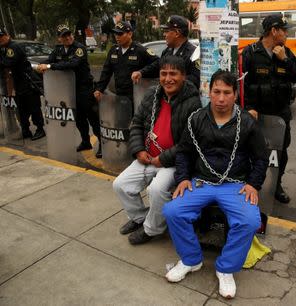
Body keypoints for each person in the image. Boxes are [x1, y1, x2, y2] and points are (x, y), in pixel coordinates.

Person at [163, 70, 268, 299]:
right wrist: (182, 179)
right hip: (202, 182)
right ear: (208, 92)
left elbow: (261, 157)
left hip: (235, 184)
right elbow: (183, 153)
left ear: (235, 95)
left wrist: (253, 184)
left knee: (250, 220)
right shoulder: (197, 119)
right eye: (216, 92)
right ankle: (191, 260)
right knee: (173, 210)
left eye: (227, 93)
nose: (221, 98)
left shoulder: (247, 122)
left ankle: (226, 268)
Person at [112, 56, 201, 245]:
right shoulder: (152, 94)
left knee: (157, 190)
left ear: (183, 76)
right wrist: (138, 150)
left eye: (173, 74)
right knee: (120, 185)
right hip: (147, 156)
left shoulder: (192, 102)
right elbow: (136, 124)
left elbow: (188, 142)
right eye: (163, 73)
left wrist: (163, 158)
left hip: (171, 161)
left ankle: (152, 229)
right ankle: (140, 218)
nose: (168, 79)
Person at [242, 13, 296, 204]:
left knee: (280, 153)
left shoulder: (286, 52)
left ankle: (276, 184)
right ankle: (251, 184)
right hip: (256, 116)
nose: (286, 34)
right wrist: (249, 108)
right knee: (253, 152)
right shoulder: (251, 52)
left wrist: (285, 60)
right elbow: (243, 84)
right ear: (274, 31)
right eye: (284, 30)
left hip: (280, 116)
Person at [37, 24, 101, 157]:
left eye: (69, 34)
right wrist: (42, 65)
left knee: (92, 118)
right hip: (70, 91)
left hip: (85, 89)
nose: (68, 38)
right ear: (59, 39)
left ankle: (102, 144)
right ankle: (85, 141)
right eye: (64, 36)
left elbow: (72, 64)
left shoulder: (79, 48)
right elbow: (49, 60)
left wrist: (49, 66)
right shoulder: (58, 50)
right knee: (79, 119)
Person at [94, 21, 159, 103]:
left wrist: (141, 72)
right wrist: (99, 89)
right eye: (115, 34)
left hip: (137, 97)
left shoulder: (140, 50)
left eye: (120, 34)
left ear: (130, 34)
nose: (117, 37)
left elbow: (158, 63)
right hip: (119, 95)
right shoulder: (114, 50)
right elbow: (106, 72)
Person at [0, 28, 45, 140]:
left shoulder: (13, 47)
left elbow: (7, 63)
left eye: (1, 37)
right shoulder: (5, 48)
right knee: (21, 109)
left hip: (27, 82)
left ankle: (40, 130)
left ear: (7, 35)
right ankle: (26, 130)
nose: (0, 39)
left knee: (34, 107)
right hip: (19, 84)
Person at [131, 15, 200, 88]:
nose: (164, 34)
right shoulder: (167, 51)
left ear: (177, 33)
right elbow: (158, 66)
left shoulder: (194, 53)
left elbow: (196, 79)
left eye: (167, 31)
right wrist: (141, 73)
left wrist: (174, 79)